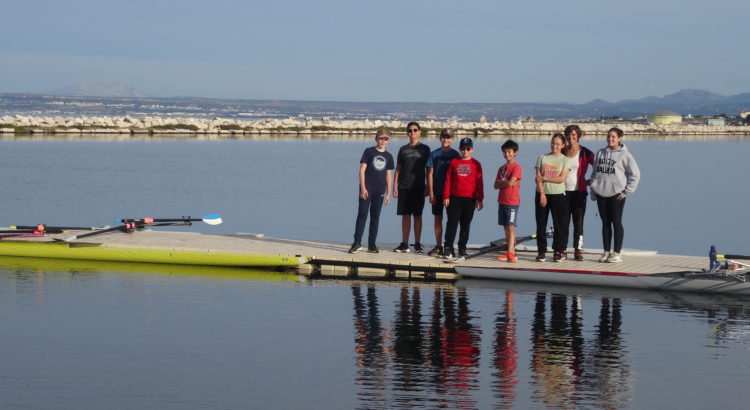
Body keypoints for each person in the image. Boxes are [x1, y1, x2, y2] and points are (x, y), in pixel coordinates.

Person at [589, 127, 641, 263]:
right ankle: (606, 251)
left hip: (616, 195)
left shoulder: (625, 155)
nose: (610, 139)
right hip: (601, 193)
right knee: (605, 223)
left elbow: (635, 174)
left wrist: (627, 191)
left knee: (616, 222)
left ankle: (617, 253)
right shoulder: (600, 153)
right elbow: (594, 173)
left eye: (613, 137)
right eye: (608, 136)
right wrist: (593, 191)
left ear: (619, 138)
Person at [349, 128, 395, 254]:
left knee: (375, 217)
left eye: (385, 139)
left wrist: (388, 194)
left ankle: (372, 244)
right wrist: (363, 187)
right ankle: (357, 242)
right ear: (376, 139)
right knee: (362, 215)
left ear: (388, 141)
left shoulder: (389, 156)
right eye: (381, 138)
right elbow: (362, 170)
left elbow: (388, 176)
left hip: (380, 190)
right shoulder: (369, 151)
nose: (383, 141)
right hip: (367, 189)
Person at [442, 137, 484, 260]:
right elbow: (448, 180)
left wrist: (480, 199)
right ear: (460, 149)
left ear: (472, 150)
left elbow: (479, 182)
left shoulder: (476, 164)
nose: (465, 151)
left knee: (465, 225)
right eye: (463, 149)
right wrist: (446, 196)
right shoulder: (454, 162)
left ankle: (462, 248)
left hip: (469, 198)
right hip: (454, 198)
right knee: (452, 224)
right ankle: (448, 248)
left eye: (468, 149)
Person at [393, 122, 431, 253]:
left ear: (420, 132)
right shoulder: (403, 149)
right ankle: (404, 244)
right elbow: (398, 168)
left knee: (418, 215)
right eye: (410, 131)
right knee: (405, 215)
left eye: (415, 130)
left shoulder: (425, 149)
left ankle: (417, 243)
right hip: (404, 186)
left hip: (419, 186)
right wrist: (394, 185)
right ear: (407, 133)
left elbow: (429, 169)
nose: (413, 133)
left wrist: (429, 187)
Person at [534, 134, 572, 262]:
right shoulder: (542, 157)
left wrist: (545, 178)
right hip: (542, 194)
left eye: (557, 144)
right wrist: (542, 194)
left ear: (562, 145)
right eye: (552, 143)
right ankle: (541, 251)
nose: (554, 146)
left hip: (558, 195)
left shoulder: (565, 160)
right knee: (541, 224)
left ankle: (558, 250)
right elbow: (537, 178)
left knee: (559, 225)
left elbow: (561, 179)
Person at [425, 128, 461, 257]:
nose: (446, 139)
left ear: (452, 139)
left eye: (448, 137)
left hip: (452, 193)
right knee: (438, 218)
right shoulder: (434, 154)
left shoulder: (456, 155)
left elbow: (459, 175)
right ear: (440, 138)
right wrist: (431, 192)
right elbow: (429, 174)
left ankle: (449, 245)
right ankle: (439, 245)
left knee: (452, 220)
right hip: (437, 191)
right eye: (443, 137)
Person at [562, 125, 595, 261]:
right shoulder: (562, 151)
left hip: (579, 193)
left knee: (578, 223)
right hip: (562, 192)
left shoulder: (586, 153)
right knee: (563, 223)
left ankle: (578, 250)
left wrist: (590, 181)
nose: (571, 138)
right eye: (568, 135)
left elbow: (599, 168)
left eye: (574, 135)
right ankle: (562, 249)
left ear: (578, 136)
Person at [494, 139, 522, 263]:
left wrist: (503, 183)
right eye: (505, 152)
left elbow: (512, 182)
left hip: (512, 201)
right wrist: (505, 183)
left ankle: (511, 253)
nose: (507, 154)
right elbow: (495, 185)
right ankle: (510, 251)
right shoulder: (501, 168)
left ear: (515, 153)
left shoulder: (516, 167)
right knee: (505, 227)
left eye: (509, 152)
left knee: (511, 227)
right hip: (502, 200)